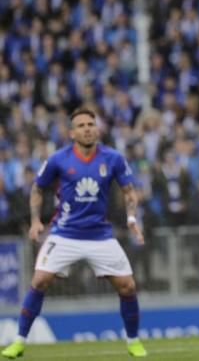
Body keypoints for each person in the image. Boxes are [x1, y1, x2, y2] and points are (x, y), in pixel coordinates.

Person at [2, 108, 147, 359]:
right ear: (72, 133)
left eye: (91, 123)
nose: (87, 128)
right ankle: (19, 342)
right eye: (81, 125)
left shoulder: (112, 158)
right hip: (65, 234)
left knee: (127, 286)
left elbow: (129, 191)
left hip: (100, 234)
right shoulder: (59, 159)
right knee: (39, 281)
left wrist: (132, 218)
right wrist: (36, 221)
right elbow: (37, 189)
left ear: (98, 129)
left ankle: (133, 341)